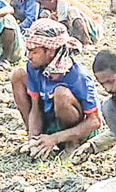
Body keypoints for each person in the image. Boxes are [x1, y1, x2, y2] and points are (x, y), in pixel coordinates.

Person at [10, 19, 102, 160]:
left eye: (34, 52)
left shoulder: (77, 75)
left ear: (50, 51)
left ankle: (72, 144)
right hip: (51, 119)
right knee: (18, 75)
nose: (29, 56)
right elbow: (36, 107)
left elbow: (95, 121)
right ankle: (38, 140)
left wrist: (55, 138)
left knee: (61, 94)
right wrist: (33, 139)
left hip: (79, 129)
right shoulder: (34, 67)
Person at [33, 0, 102, 46]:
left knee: (72, 11)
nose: (42, 6)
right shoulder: (55, 9)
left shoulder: (62, 3)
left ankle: (86, 42)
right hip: (90, 29)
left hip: (94, 31)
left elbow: (62, 26)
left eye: (41, 3)